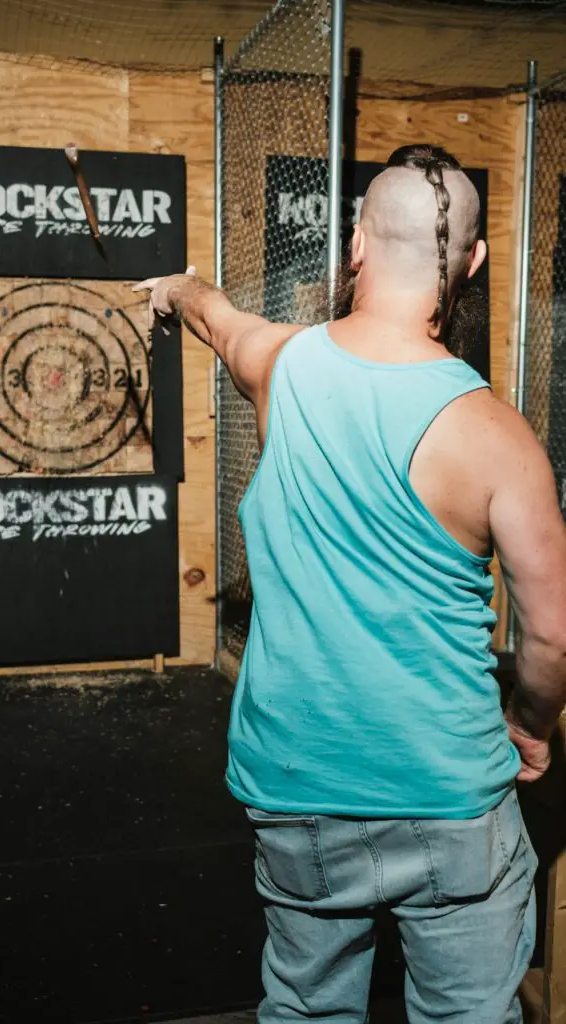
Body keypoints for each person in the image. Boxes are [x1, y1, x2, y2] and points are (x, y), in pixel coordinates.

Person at [134, 144, 566, 1023]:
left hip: (295, 786)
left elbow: (211, 313)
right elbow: (552, 635)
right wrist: (527, 724)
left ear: (357, 244)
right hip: (447, 791)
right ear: (472, 264)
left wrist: (171, 288)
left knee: (304, 1006)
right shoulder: (497, 435)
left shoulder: (277, 364)